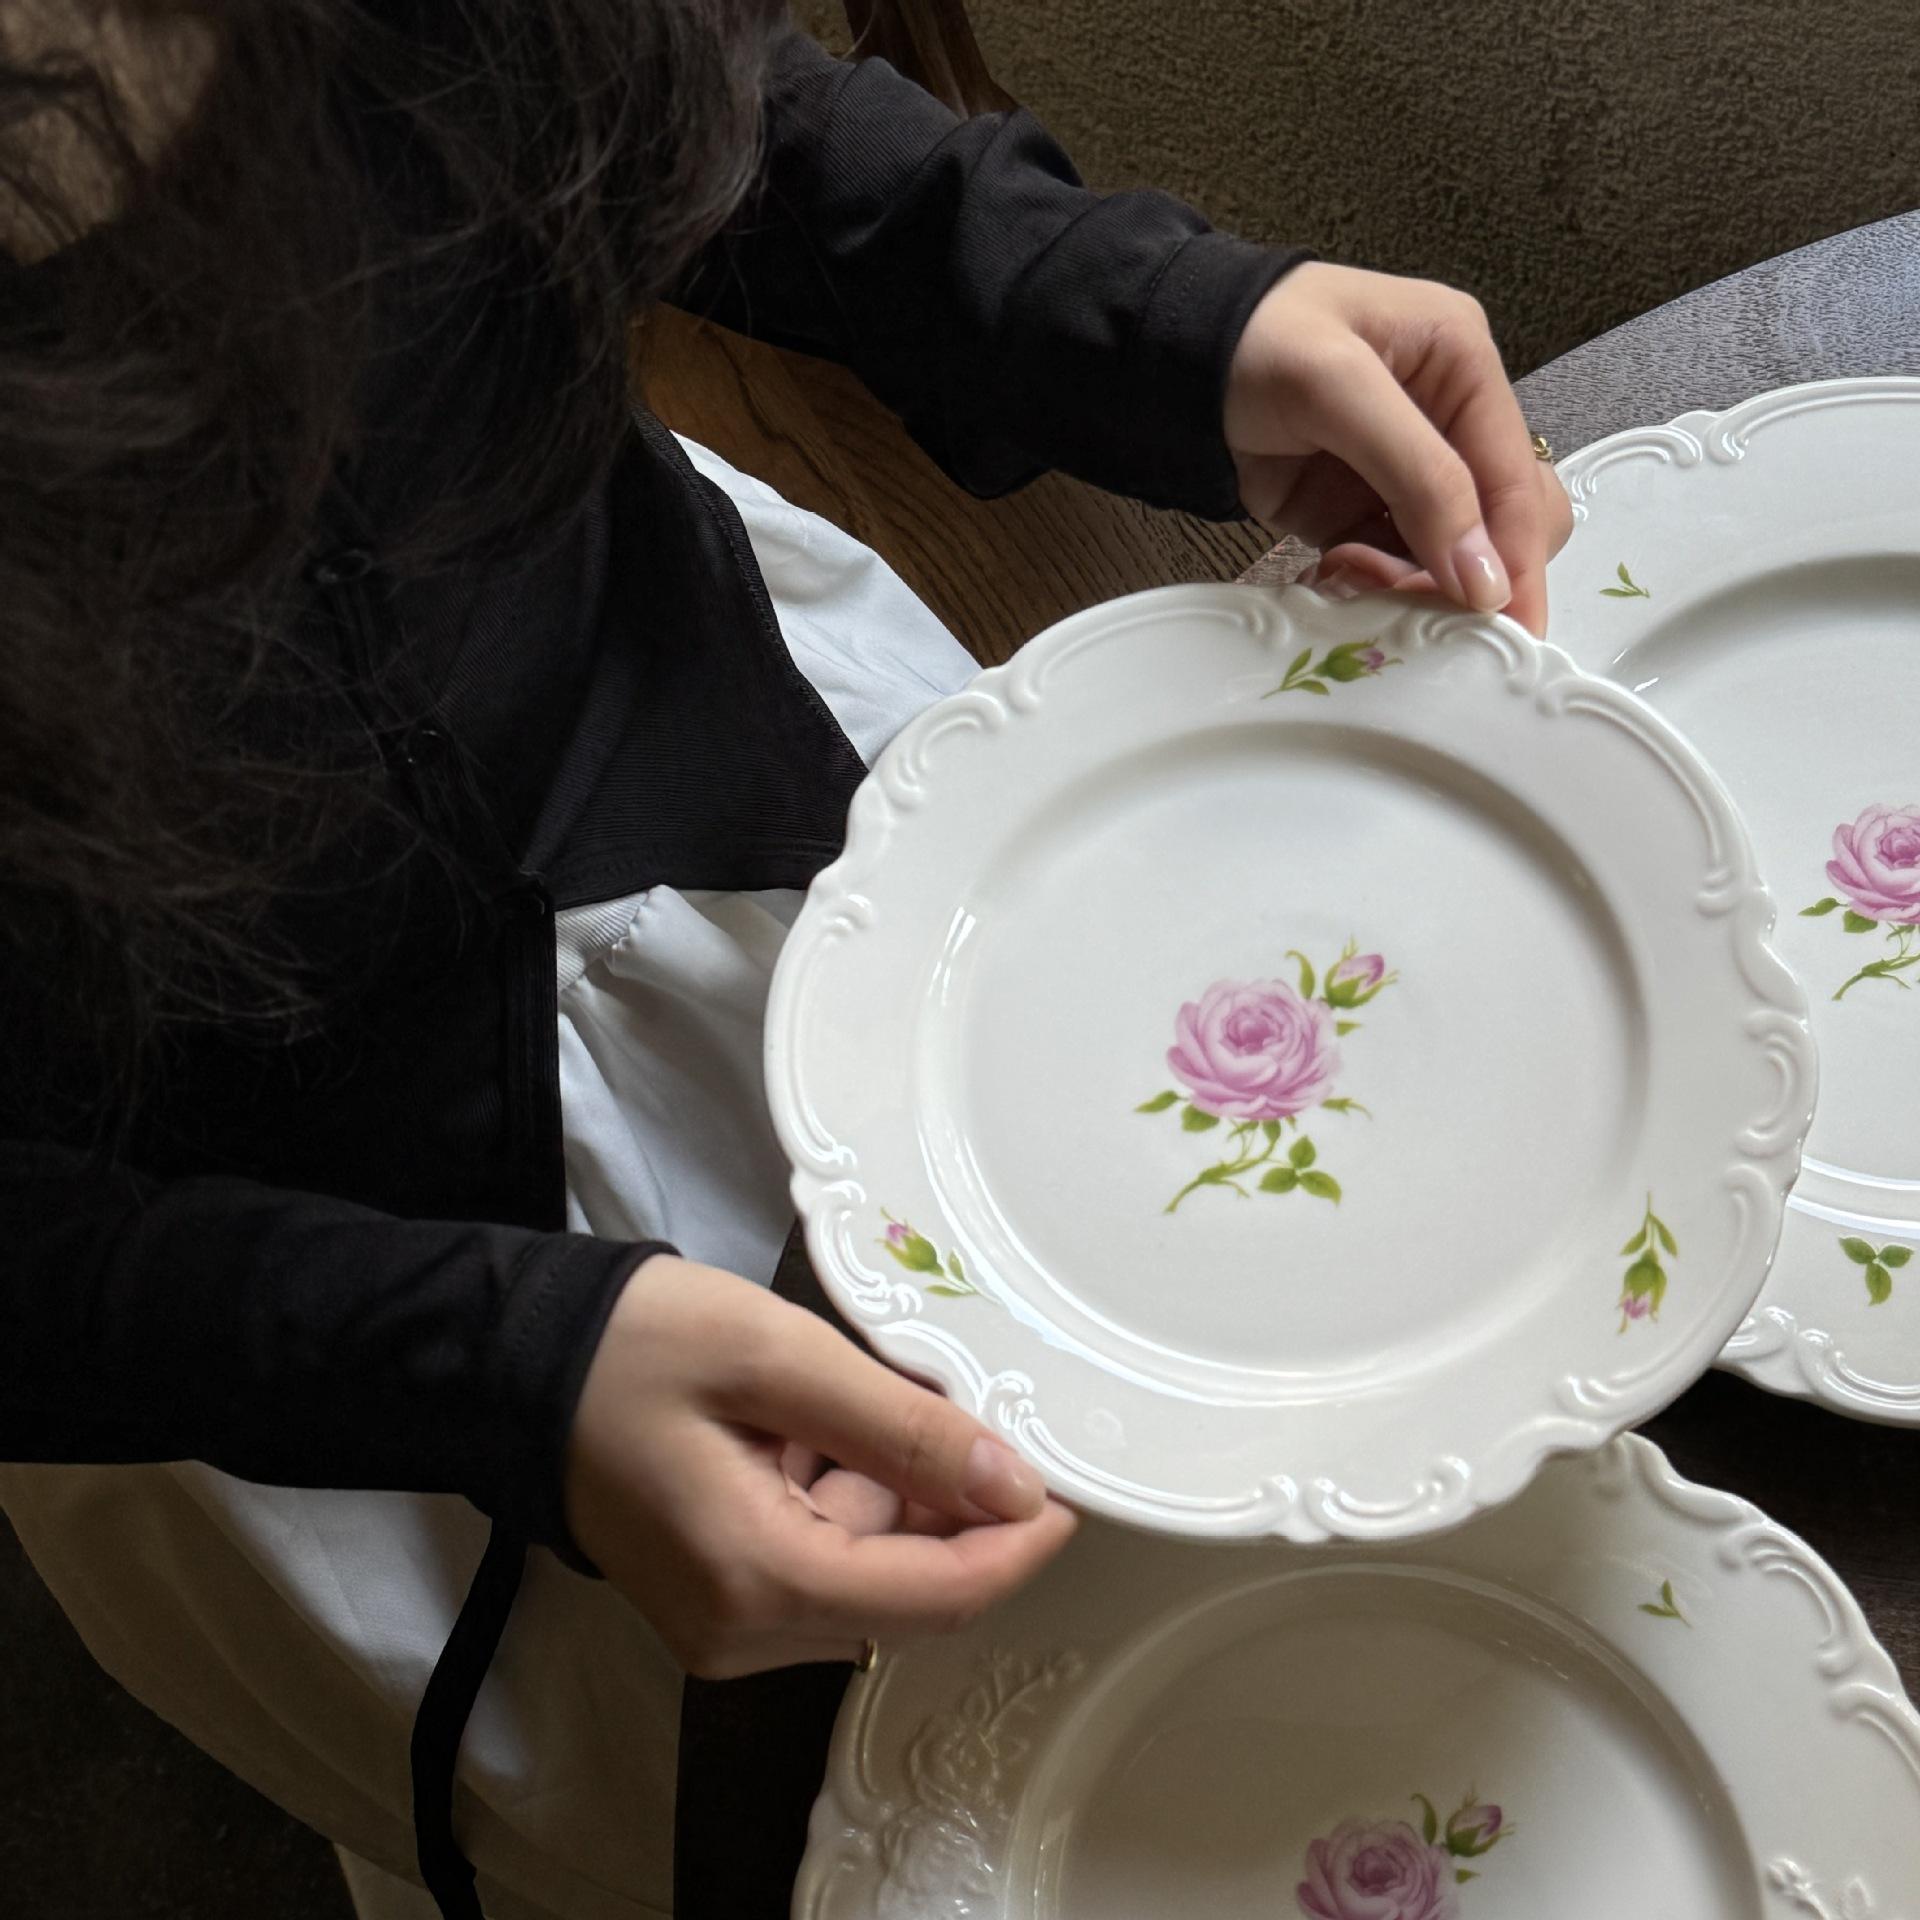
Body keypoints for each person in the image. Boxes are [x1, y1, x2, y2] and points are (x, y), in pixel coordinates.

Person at [0, 5, 1572, 1917]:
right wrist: (503, 1377)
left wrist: (1113, 300)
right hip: (275, 1285)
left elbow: (659, 86)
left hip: (753, 768)